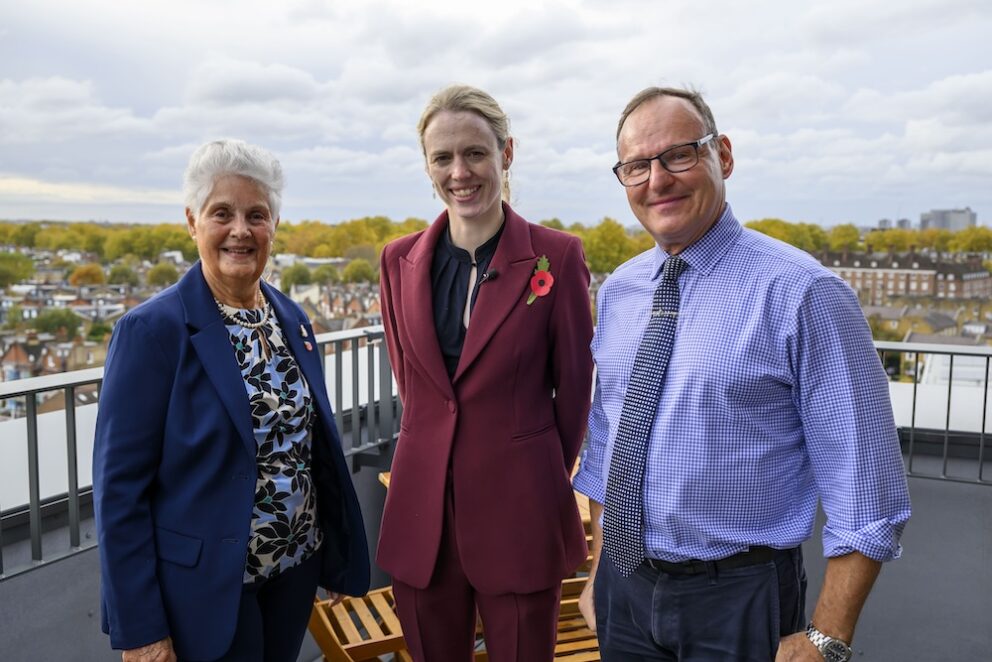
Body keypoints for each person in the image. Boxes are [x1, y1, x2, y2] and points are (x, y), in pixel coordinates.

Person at [572, 87, 911, 661]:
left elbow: (867, 485)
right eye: (636, 166)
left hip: (739, 599)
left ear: (722, 155)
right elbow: (609, 443)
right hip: (624, 592)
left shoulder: (803, 292)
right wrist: (602, 570)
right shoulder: (623, 291)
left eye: (678, 154)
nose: (657, 180)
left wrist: (827, 637)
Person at [93, 139, 370, 662]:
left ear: (273, 228)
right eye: (222, 213)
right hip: (209, 589)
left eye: (256, 215)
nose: (241, 230)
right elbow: (118, 492)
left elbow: (309, 448)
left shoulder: (291, 318)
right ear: (193, 222)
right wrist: (141, 630)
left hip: (294, 570)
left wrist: (333, 551)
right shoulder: (151, 332)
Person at [377, 84, 594, 661]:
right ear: (427, 165)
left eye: (475, 153)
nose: (460, 172)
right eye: (442, 157)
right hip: (423, 519)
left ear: (507, 153)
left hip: (520, 514)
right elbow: (416, 388)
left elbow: (574, 397)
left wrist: (532, 466)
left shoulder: (558, 257)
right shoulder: (396, 261)